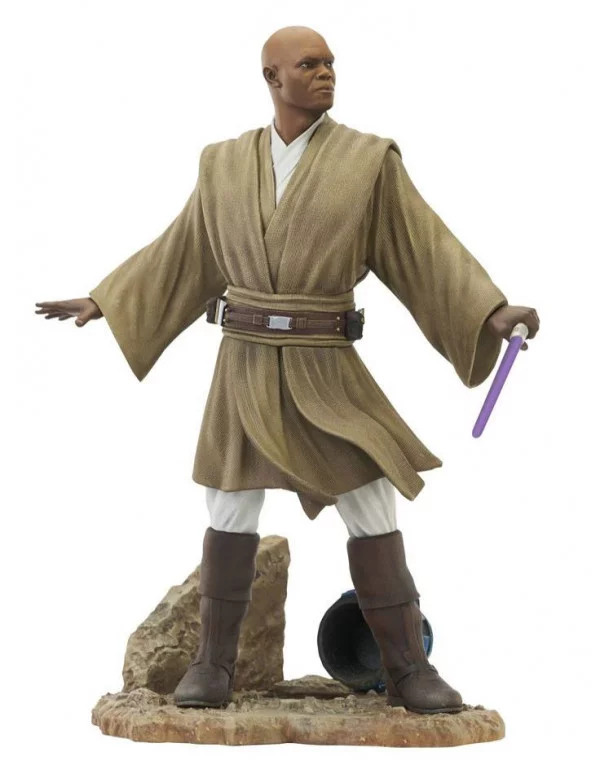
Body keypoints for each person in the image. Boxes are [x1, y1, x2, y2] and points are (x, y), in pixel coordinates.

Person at [35, 26, 540, 714]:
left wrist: (490, 310)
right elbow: (183, 249)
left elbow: (426, 246)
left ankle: (406, 667)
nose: (326, 72)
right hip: (243, 365)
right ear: (272, 78)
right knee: (229, 502)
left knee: (371, 495)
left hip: (325, 365)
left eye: (330, 62)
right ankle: (213, 663)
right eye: (309, 64)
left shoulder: (367, 162)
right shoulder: (222, 164)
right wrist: (108, 299)